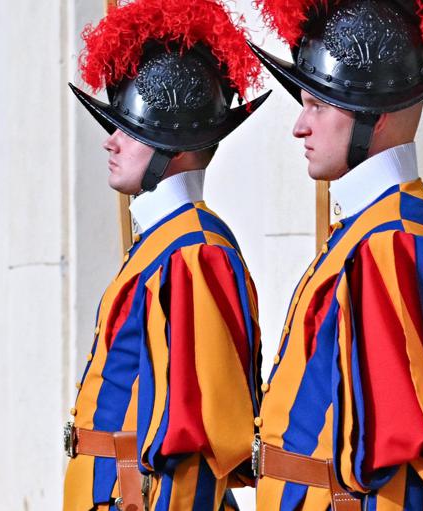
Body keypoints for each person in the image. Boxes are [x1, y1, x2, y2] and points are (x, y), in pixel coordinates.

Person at [247, 0, 423, 509]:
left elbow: (406, 471)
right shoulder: (370, 229)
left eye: (317, 105)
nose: (299, 126)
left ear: (370, 115)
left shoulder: (395, 238)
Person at [62, 0, 270, 509]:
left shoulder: (193, 253)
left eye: (128, 129)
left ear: (171, 141)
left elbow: (195, 445)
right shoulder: (165, 244)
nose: (110, 143)